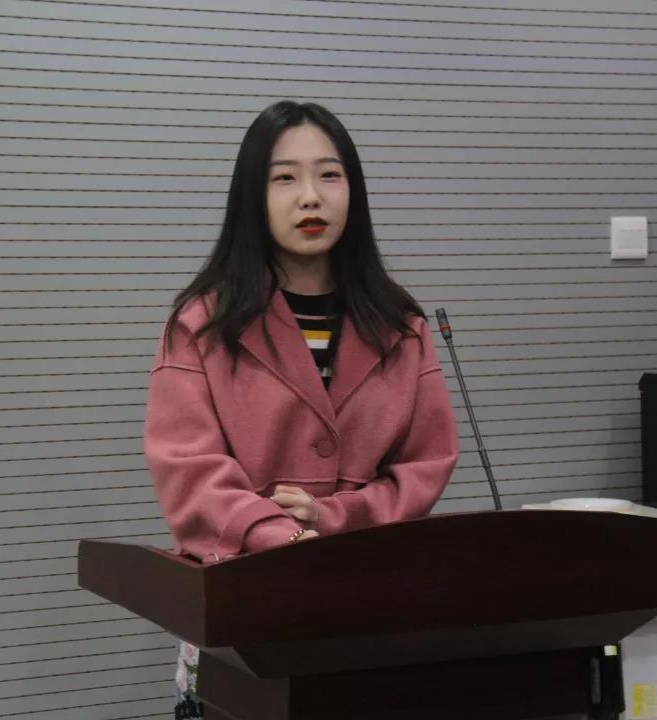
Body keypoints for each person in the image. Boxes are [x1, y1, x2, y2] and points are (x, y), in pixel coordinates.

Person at [143, 101, 459, 720]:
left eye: (329, 175)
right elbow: (188, 470)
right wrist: (280, 535)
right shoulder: (201, 325)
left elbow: (424, 464)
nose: (310, 196)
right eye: (284, 178)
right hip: (247, 613)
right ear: (252, 197)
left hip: (370, 611)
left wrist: (336, 518)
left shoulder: (402, 326)